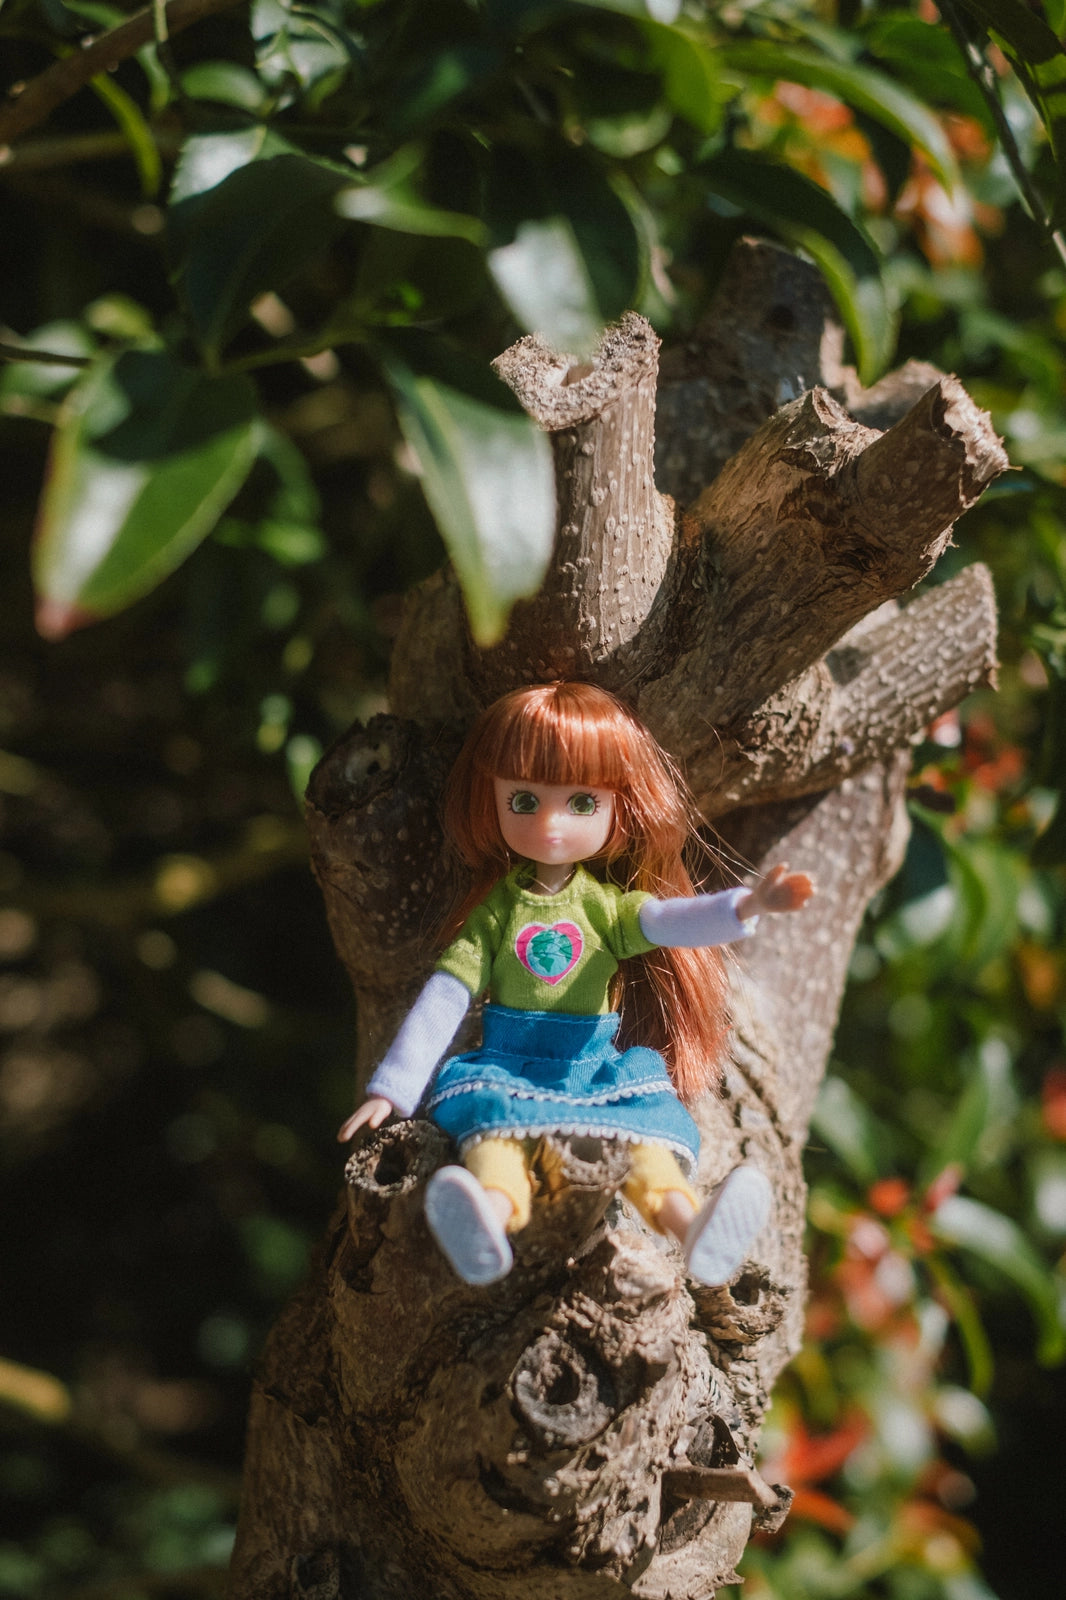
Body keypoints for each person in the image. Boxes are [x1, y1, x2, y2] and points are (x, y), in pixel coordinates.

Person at [338, 681, 813, 1286]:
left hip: (591, 1068)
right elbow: (446, 994)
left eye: (581, 803)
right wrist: (394, 1088)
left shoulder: (605, 909)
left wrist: (749, 904)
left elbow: (670, 921)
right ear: (493, 802)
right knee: (495, 1136)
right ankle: (485, 1216)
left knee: (645, 1150)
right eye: (525, 802)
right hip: (509, 1063)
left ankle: (693, 1228)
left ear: (620, 807)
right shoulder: (495, 913)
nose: (553, 825)